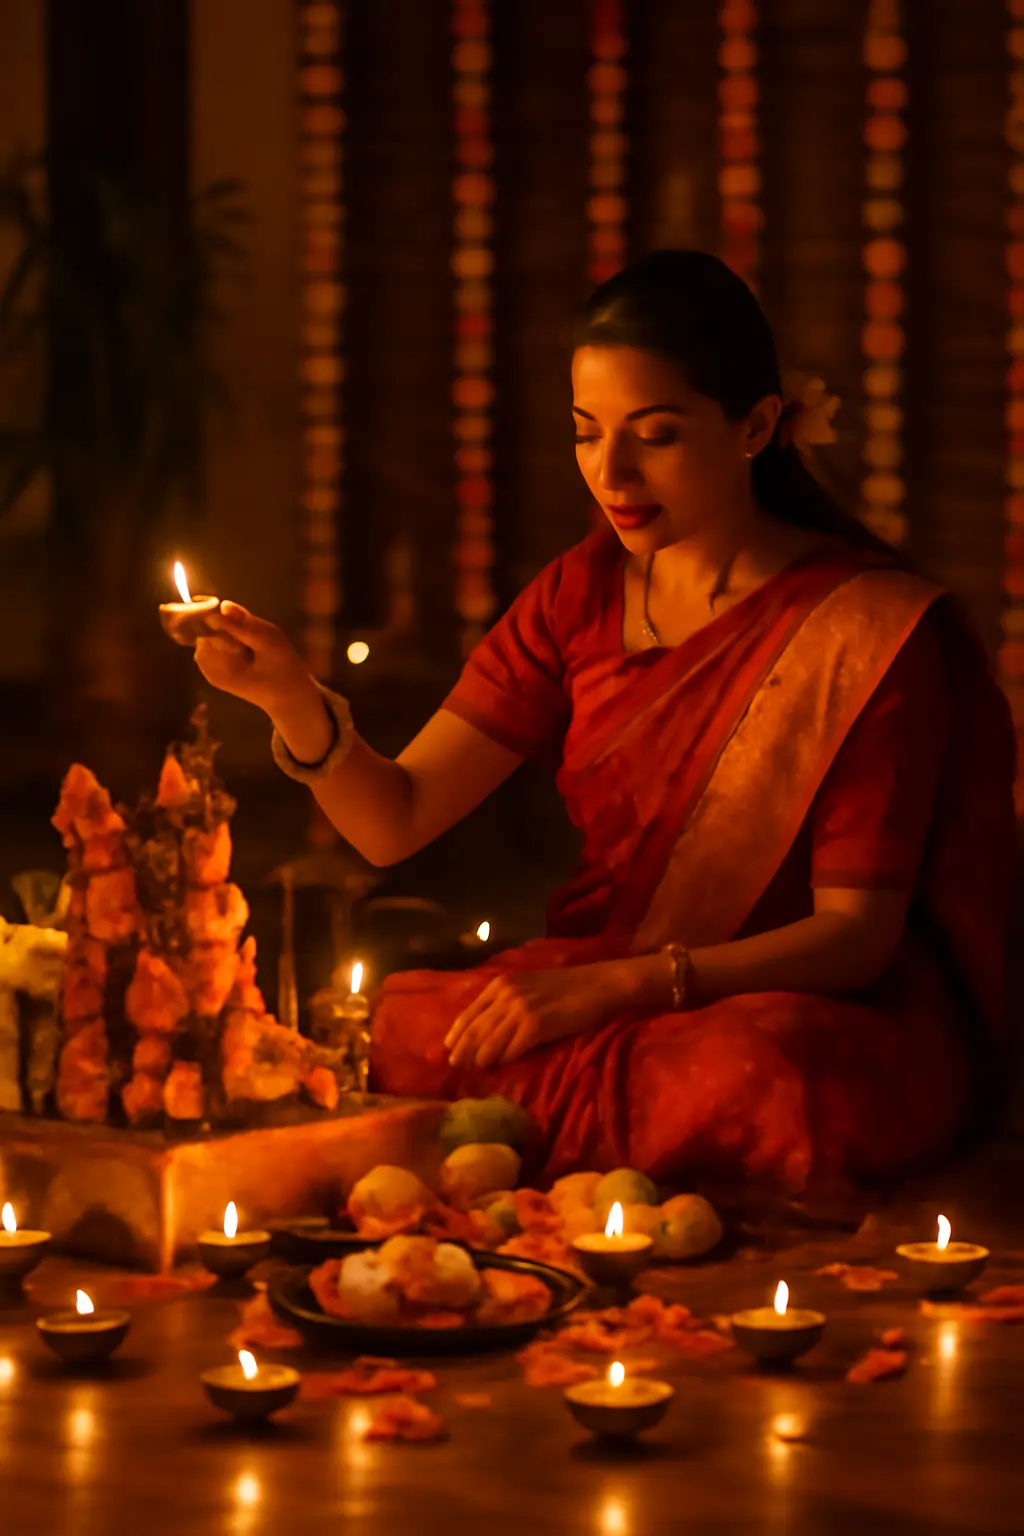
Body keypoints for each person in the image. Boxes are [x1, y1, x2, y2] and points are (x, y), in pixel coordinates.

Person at [194, 249, 1016, 1199]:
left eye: (655, 435)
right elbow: (394, 820)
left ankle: (525, 1147)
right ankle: (587, 1158)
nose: (611, 472)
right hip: (605, 987)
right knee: (390, 1026)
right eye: (586, 434)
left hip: (792, 1009)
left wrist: (624, 986)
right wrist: (291, 697)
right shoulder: (579, 593)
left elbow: (854, 939)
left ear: (755, 426)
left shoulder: (869, 629)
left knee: (769, 1076)